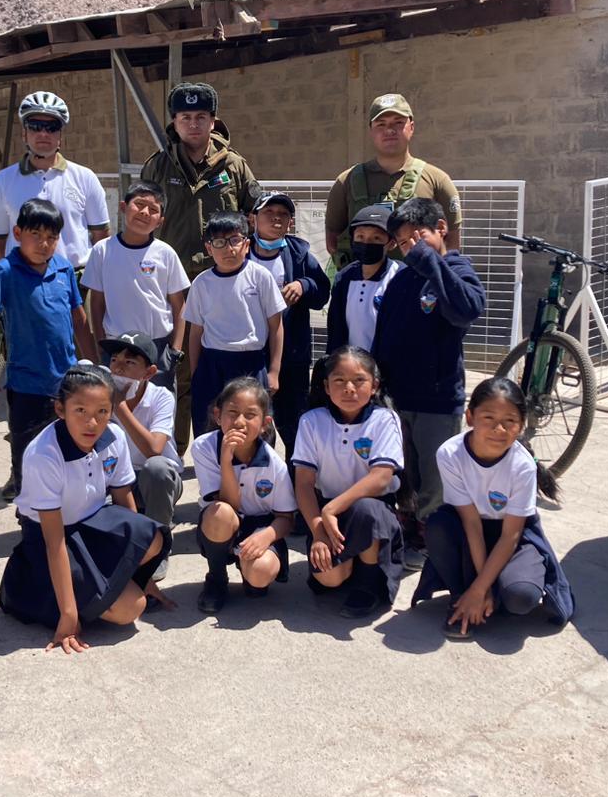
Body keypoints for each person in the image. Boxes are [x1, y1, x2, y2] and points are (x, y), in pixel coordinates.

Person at [0, 364, 171, 653]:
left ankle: (96, 592)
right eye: (80, 411)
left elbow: (124, 503)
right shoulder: (44, 455)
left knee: (152, 537)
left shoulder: (113, 437)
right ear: (60, 409)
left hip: (92, 524)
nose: (92, 422)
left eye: (102, 412)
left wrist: (141, 572)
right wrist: (68, 614)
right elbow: (55, 543)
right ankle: (48, 595)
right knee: (131, 608)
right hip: (50, 540)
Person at [140, 81, 262, 451]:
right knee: (175, 370)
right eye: (185, 117)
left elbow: (255, 218)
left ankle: (227, 450)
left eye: (201, 117)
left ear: (213, 121)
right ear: (174, 123)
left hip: (223, 285)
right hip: (172, 288)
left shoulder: (235, 166)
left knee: (221, 369)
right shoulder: (158, 167)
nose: (193, 124)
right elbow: (143, 220)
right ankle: (172, 451)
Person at [411, 377, 575, 639]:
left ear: (521, 425)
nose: (499, 428)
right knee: (438, 524)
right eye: (488, 417)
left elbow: (511, 535)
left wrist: (481, 588)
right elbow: (472, 523)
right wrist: (480, 587)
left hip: (514, 536)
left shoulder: (522, 465)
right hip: (470, 528)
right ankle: (462, 599)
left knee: (521, 598)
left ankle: (484, 601)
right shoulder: (450, 454)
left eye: (510, 421)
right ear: (470, 417)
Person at [372, 197, 486, 569]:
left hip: (438, 398)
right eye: (403, 242)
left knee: (437, 478)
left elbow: (467, 308)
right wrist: (377, 379)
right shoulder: (402, 279)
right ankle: (411, 527)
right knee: (407, 470)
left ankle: (434, 538)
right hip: (399, 396)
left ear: (442, 229)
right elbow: (385, 332)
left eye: (417, 237)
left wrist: (432, 262)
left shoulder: (456, 268)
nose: (411, 248)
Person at [0, 198, 96, 502]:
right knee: (28, 461)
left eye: (51, 237)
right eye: (35, 235)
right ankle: (31, 527)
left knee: (68, 457)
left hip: (67, 384)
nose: (44, 243)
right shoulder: (5, 273)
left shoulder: (64, 268)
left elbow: (79, 320)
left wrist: (95, 368)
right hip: (27, 387)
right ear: (17, 232)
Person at [292, 347, 405, 618]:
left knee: (366, 510)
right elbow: (304, 484)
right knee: (329, 579)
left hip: (374, 510)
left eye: (359, 380)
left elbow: (381, 478)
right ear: (326, 387)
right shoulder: (311, 421)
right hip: (327, 512)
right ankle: (352, 564)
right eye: (339, 381)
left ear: (375, 385)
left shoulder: (385, 419)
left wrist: (331, 510)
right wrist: (319, 529)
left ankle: (368, 584)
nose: (349, 388)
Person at [191, 377, 296, 614]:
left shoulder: (274, 463)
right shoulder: (203, 447)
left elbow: (286, 518)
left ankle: (249, 570)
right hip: (224, 520)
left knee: (259, 577)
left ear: (265, 424)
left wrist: (266, 536)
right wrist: (226, 460)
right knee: (220, 513)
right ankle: (216, 578)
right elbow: (228, 504)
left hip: (260, 526)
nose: (239, 422)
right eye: (232, 412)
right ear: (218, 415)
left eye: (250, 415)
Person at [324, 92, 463, 269]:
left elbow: (451, 243)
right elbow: (333, 241)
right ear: (371, 130)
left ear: (411, 127)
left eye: (398, 123)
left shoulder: (437, 180)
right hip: (363, 287)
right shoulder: (346, 181)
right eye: (381, 124)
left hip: (418, 288)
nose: (389, 130)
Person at [184, 211, 286, 440]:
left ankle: (255, 475)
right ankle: (214, 474)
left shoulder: (260, 277)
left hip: (250, 362)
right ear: (209, 249)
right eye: (219, 242)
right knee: (209, 428)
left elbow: (276, 326)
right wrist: (196, 372)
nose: (228, 249)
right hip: (212, 364)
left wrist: (274, 371)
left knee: (255, 430)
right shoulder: (201, 283)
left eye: (234, 241)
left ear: (246, 244)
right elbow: (195, 332)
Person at [0, 91, 110, 272]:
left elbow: (102, 236)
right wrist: (17, 277)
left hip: (75, 282)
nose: (43, 133)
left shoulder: (85, 177)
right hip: (24, 284)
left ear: (60, 135)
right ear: (24, 134)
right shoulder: (2, 181)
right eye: (35, 126)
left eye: (51, 127)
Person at [247, 191, 330, 460]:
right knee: (253, 423)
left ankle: (296, 483)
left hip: (291, 358)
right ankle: (256, 485)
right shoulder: (240, 251)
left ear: (290, 223)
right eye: (269, 213)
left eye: (283, 214)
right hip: (250, 355)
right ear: (253, 219)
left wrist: (304, 285)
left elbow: (322, 293)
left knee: (294, 423)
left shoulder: (300, 254)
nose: (276, 218)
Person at [82, 180, 189, 389]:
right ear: (123, 207)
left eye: (153, 209)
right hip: (117, 347)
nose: (145, 212)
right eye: (139, 204)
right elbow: (96, 304)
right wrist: (101, 345)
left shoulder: (165, 253)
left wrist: (174, 351)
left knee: (157, 412)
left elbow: (179, 305)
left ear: (160, 221)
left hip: (157, 346)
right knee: (116, 409)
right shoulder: (102, 251)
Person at [102, 332, 184, 583]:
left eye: (129, 363)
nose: (118, 367)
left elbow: (154, 449)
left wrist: (120, 408)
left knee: (156, 468)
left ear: (149, 372)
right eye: (115, 360)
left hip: (156, 479)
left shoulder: (161, 397)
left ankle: (158, 546)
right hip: (117, 478)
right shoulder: (101, 394)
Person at [326, 204, 403, 353]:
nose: (367, 243)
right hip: (352, 367)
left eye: (376, 238)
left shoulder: (400, 276)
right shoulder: (344, 278)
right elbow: (336, 329)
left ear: (392, 243)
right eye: (360, 236)